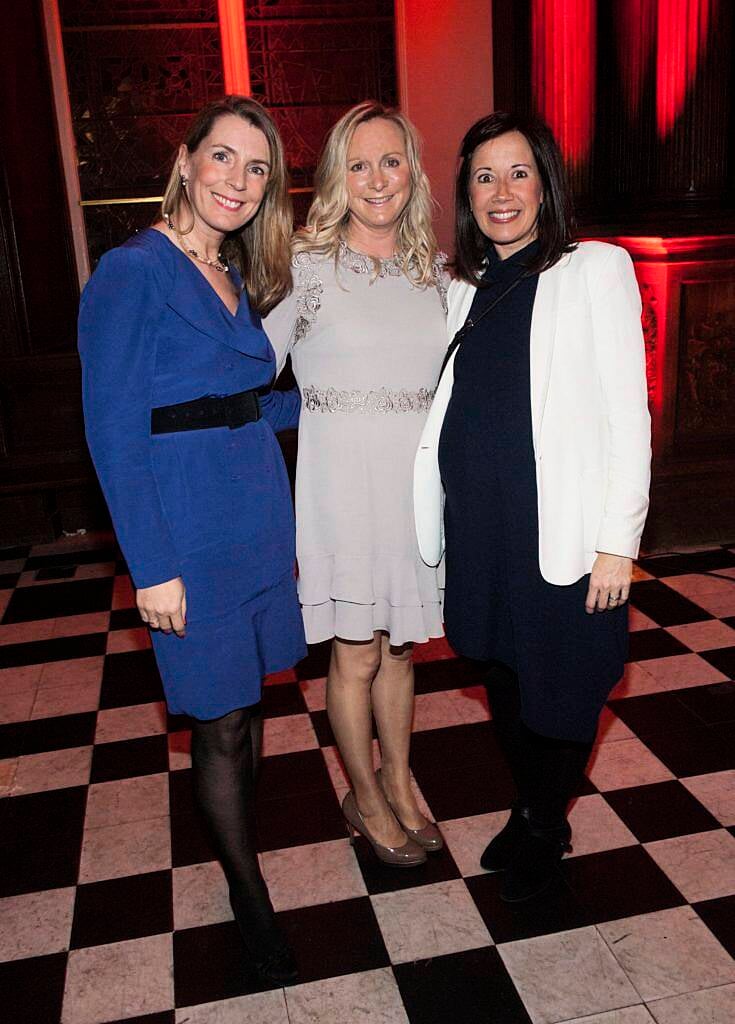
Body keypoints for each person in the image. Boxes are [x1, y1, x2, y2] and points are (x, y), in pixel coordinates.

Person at [78, 96, 306, 983]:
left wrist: (348, 404)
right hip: (189, 533)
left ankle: (237, 852)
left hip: (254, 516)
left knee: (246, 706)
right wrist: (153, 566)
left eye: (256, 169)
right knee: (216, 720)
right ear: (185, 160)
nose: (238, 183)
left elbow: (238, 398)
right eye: (223, 159)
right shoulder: (133, 272)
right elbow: (114, 431)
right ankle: (250, 902)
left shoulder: (229, 272)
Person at [414, 111, 651, 901]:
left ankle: (546, 822)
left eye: (518, 172)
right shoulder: (462, 287)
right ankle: (531, 804)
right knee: (503, 675)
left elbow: (629, 413)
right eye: (483, 176)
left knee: (567, 682)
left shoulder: (594, 269)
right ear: (466, 194)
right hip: (480, 530)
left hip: (566, 534)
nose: (501, 191)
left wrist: (618, 542)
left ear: (546, 183)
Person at [264, 102, 447, 866]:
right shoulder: (303, 268)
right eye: (359, 163)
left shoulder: (437, 272)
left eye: (392, 161)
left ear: (413, 173)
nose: (377, 179)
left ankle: (399, 778)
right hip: (341, 493)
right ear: (338, 174)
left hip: (413, 490)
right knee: (355, 654)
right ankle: (362, 793)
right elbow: (246, 370)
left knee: (400, 650)